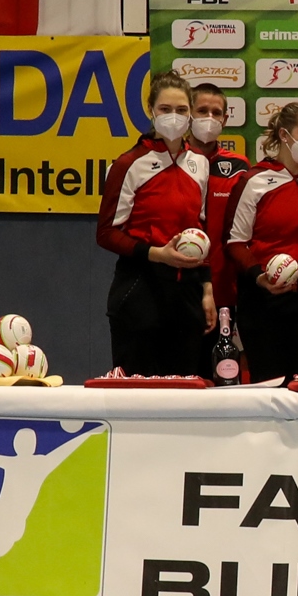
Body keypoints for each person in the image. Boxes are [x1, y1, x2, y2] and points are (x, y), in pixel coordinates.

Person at [96, 72, 215, 376]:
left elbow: (200, 228)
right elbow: (106, 233)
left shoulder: (200, 163)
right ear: (151, 110)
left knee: (185, 390)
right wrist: (156, 254)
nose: (173, 116)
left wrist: (206, 288)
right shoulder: (129, 163)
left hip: (187, 296)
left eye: (181, 110)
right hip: (139, 291)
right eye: (165, 109)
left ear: (190, 114)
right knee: (137, 392)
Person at [225, 102, 298, 380]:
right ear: (284, 135)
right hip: (264, 296)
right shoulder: (254, 180)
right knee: (269, 383)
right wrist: (259, 276)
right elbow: (234, 242)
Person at [185, 81, 250, 326]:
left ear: (225, 119)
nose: (209, 118)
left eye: (216, 113)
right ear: (189, 115)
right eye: (202, 111)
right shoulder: (173, 161)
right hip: (179, 287)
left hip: (225, 288)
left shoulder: (239, 166)